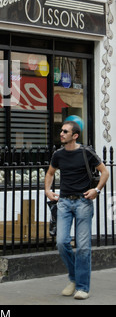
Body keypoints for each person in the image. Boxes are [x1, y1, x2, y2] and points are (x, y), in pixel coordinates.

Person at [45, 121, 109, 300]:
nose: (61, 133)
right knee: (61, 242)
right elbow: (50, 173)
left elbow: (104, 172)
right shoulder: (58, 154)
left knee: (83, 247)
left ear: (75, 136)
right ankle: (74, 277)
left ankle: (82, 287)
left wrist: (97, 190)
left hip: (83, 203)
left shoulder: (86, 152)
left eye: (65, 131)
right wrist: (48, 191)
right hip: (64, 202)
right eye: (61, 131)